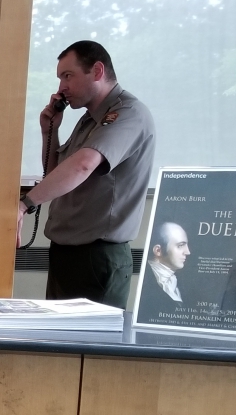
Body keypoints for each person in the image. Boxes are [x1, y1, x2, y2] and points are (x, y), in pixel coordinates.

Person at [17, 41, 156, 309]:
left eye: (68, 76)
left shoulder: (128, 114)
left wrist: (25, 204)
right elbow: (57, 176)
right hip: (67, 254)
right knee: (61, 346)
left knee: (89, 347)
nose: (61, 88)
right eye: (60, 79)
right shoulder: (88, 119)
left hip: (97, 256)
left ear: (97, 70)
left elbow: (83, 165)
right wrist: (50, 132)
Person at [146, 222, 190, 302]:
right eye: (180, 246)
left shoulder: (182, 281)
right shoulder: (145, 280)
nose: (187, 252)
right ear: (158, 250)